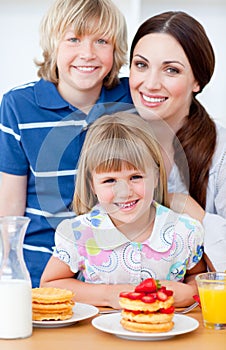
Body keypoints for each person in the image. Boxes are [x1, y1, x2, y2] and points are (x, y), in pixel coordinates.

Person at [0, 0, 132, 287]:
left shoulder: (131, 98)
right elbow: (9, 208)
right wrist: (10, 276)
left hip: (118, 274)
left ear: (116, 49)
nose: (87, 54)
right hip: (40, 273)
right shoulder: (18, 106)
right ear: (53, 45)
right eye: (73, 39)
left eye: (101, 40)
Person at [40, 112, 205, 308]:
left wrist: (190, 292)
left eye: (135, 177)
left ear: (156, 177)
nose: (125, 191)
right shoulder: (79, 234)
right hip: (97, 336)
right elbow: (50, 284)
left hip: (166, 333)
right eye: (110, 180)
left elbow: (200, 278)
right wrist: (109, 295)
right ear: (92, 185)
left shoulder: (184, 231)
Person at [129, 11, 226, 272]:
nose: (150, 83)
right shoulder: (115, 144)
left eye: (171, 70)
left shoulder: (221, 151)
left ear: (197, 80)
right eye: (141, 65)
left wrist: (194, 213)